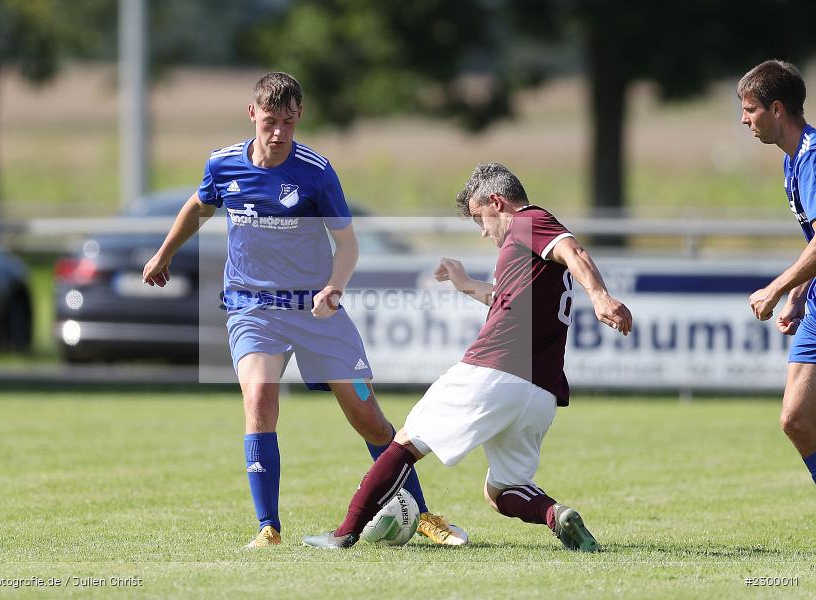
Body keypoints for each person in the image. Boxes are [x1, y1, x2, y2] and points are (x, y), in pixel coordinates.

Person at [141, 72, 467, 547]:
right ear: (252, 114)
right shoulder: (224, 164)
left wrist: (334, 287)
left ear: (299, 119)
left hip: (317, 312)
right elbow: (198, 205)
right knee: (258, 399)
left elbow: (348, 243)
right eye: (270, 121)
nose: (278, 133)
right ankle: (267, 527)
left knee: (368, 417)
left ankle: (421, 514)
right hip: (253, 308)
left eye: (288, 123)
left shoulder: (315, 172)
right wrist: (163, 252)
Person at [303, 162, 633, 550]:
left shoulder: (529, 221)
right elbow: (506, 300)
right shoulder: (526, 249)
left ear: (497, 202)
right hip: (540, 392)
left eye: (481, 217)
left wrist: (598, 295)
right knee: (502, 490)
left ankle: (344, 533)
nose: (482, 230)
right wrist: (466, 285)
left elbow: (573, 249)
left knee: (406, 441)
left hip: (494, 371)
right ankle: (556, 515)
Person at [740, 60, 816, 486]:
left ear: (778, 109)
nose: (744, 119)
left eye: (750, 109)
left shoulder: (812, 159)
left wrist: (775, 288)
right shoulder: (792, 162)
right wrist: (800, 291)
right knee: (796, 420)